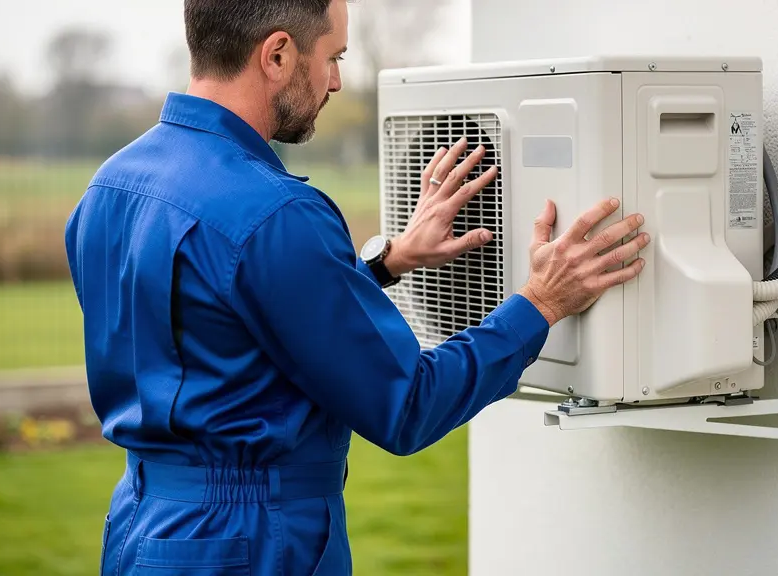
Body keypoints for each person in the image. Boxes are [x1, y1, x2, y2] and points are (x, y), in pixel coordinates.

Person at [64, 0, 649, 574]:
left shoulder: (110, 187)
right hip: (250, 544)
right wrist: (541, 303)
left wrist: (388, 262)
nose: (337, 81)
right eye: (333, 56)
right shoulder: (275, 213)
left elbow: (222, 326)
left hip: (141, 528)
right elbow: (407, 405)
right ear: (277, 54)